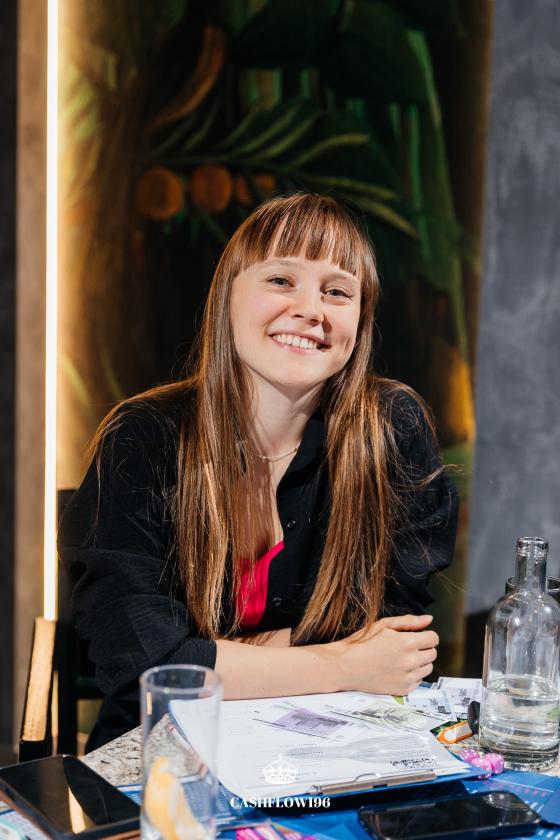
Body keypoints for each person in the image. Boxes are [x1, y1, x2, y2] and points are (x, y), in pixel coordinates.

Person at [58, 193, 458, 750]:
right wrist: (343, 662)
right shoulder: (143, 437)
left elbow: (393, 645)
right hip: (166, 750)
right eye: (281, 280)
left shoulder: (391, 430)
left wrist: (209, 654)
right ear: (228, 295)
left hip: (331, 747)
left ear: (361, 320)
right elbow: (147, 664)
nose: (311, 310)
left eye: (337, 292)